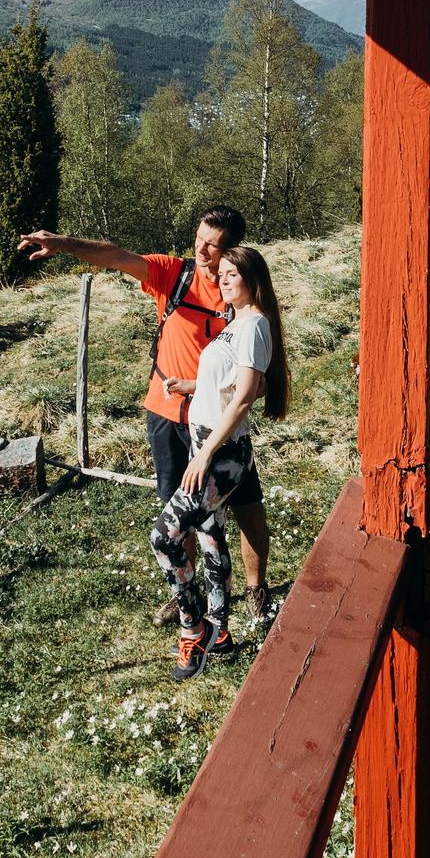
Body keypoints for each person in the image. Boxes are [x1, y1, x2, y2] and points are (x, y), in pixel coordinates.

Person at [14, 209, 278, 625]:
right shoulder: (175, 275)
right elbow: (117, 256)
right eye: (199, 238)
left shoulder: (241, 297)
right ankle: (186, 590)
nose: (201, 248)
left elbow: (256, 373)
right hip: (169, 414)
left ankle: (255, 590)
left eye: (213, 244)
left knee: (248, 510)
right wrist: (64, 243)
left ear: (233, 251)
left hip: (220, 425)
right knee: (182, 513)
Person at [147, 244, 288, 677]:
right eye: (221, 273)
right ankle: (221, 632)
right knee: (210, 536)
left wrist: (204, 455)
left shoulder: (254, 326)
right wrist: (191, 385)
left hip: (221, 452)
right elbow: (230, 383)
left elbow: (245, 397)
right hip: (206, 443)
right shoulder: (235, 324)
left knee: (165, 538)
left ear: (253, 279)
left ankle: (194, 630)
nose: (222, 279)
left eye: (232, 274)